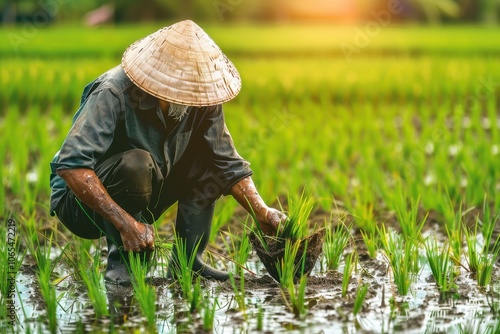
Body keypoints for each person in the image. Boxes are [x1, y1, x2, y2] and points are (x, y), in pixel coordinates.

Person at [49, 20, 287, 285]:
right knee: (137, 163)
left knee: (209, 165)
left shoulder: (202, 98)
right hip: (80, 204)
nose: (190, 97)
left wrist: (262, 211)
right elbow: (72, 165)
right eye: (182, 89)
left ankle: (188, 264)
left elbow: (227, 162)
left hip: (150, 185)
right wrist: (127, 224)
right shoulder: (112, 92)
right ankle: (124, 268)